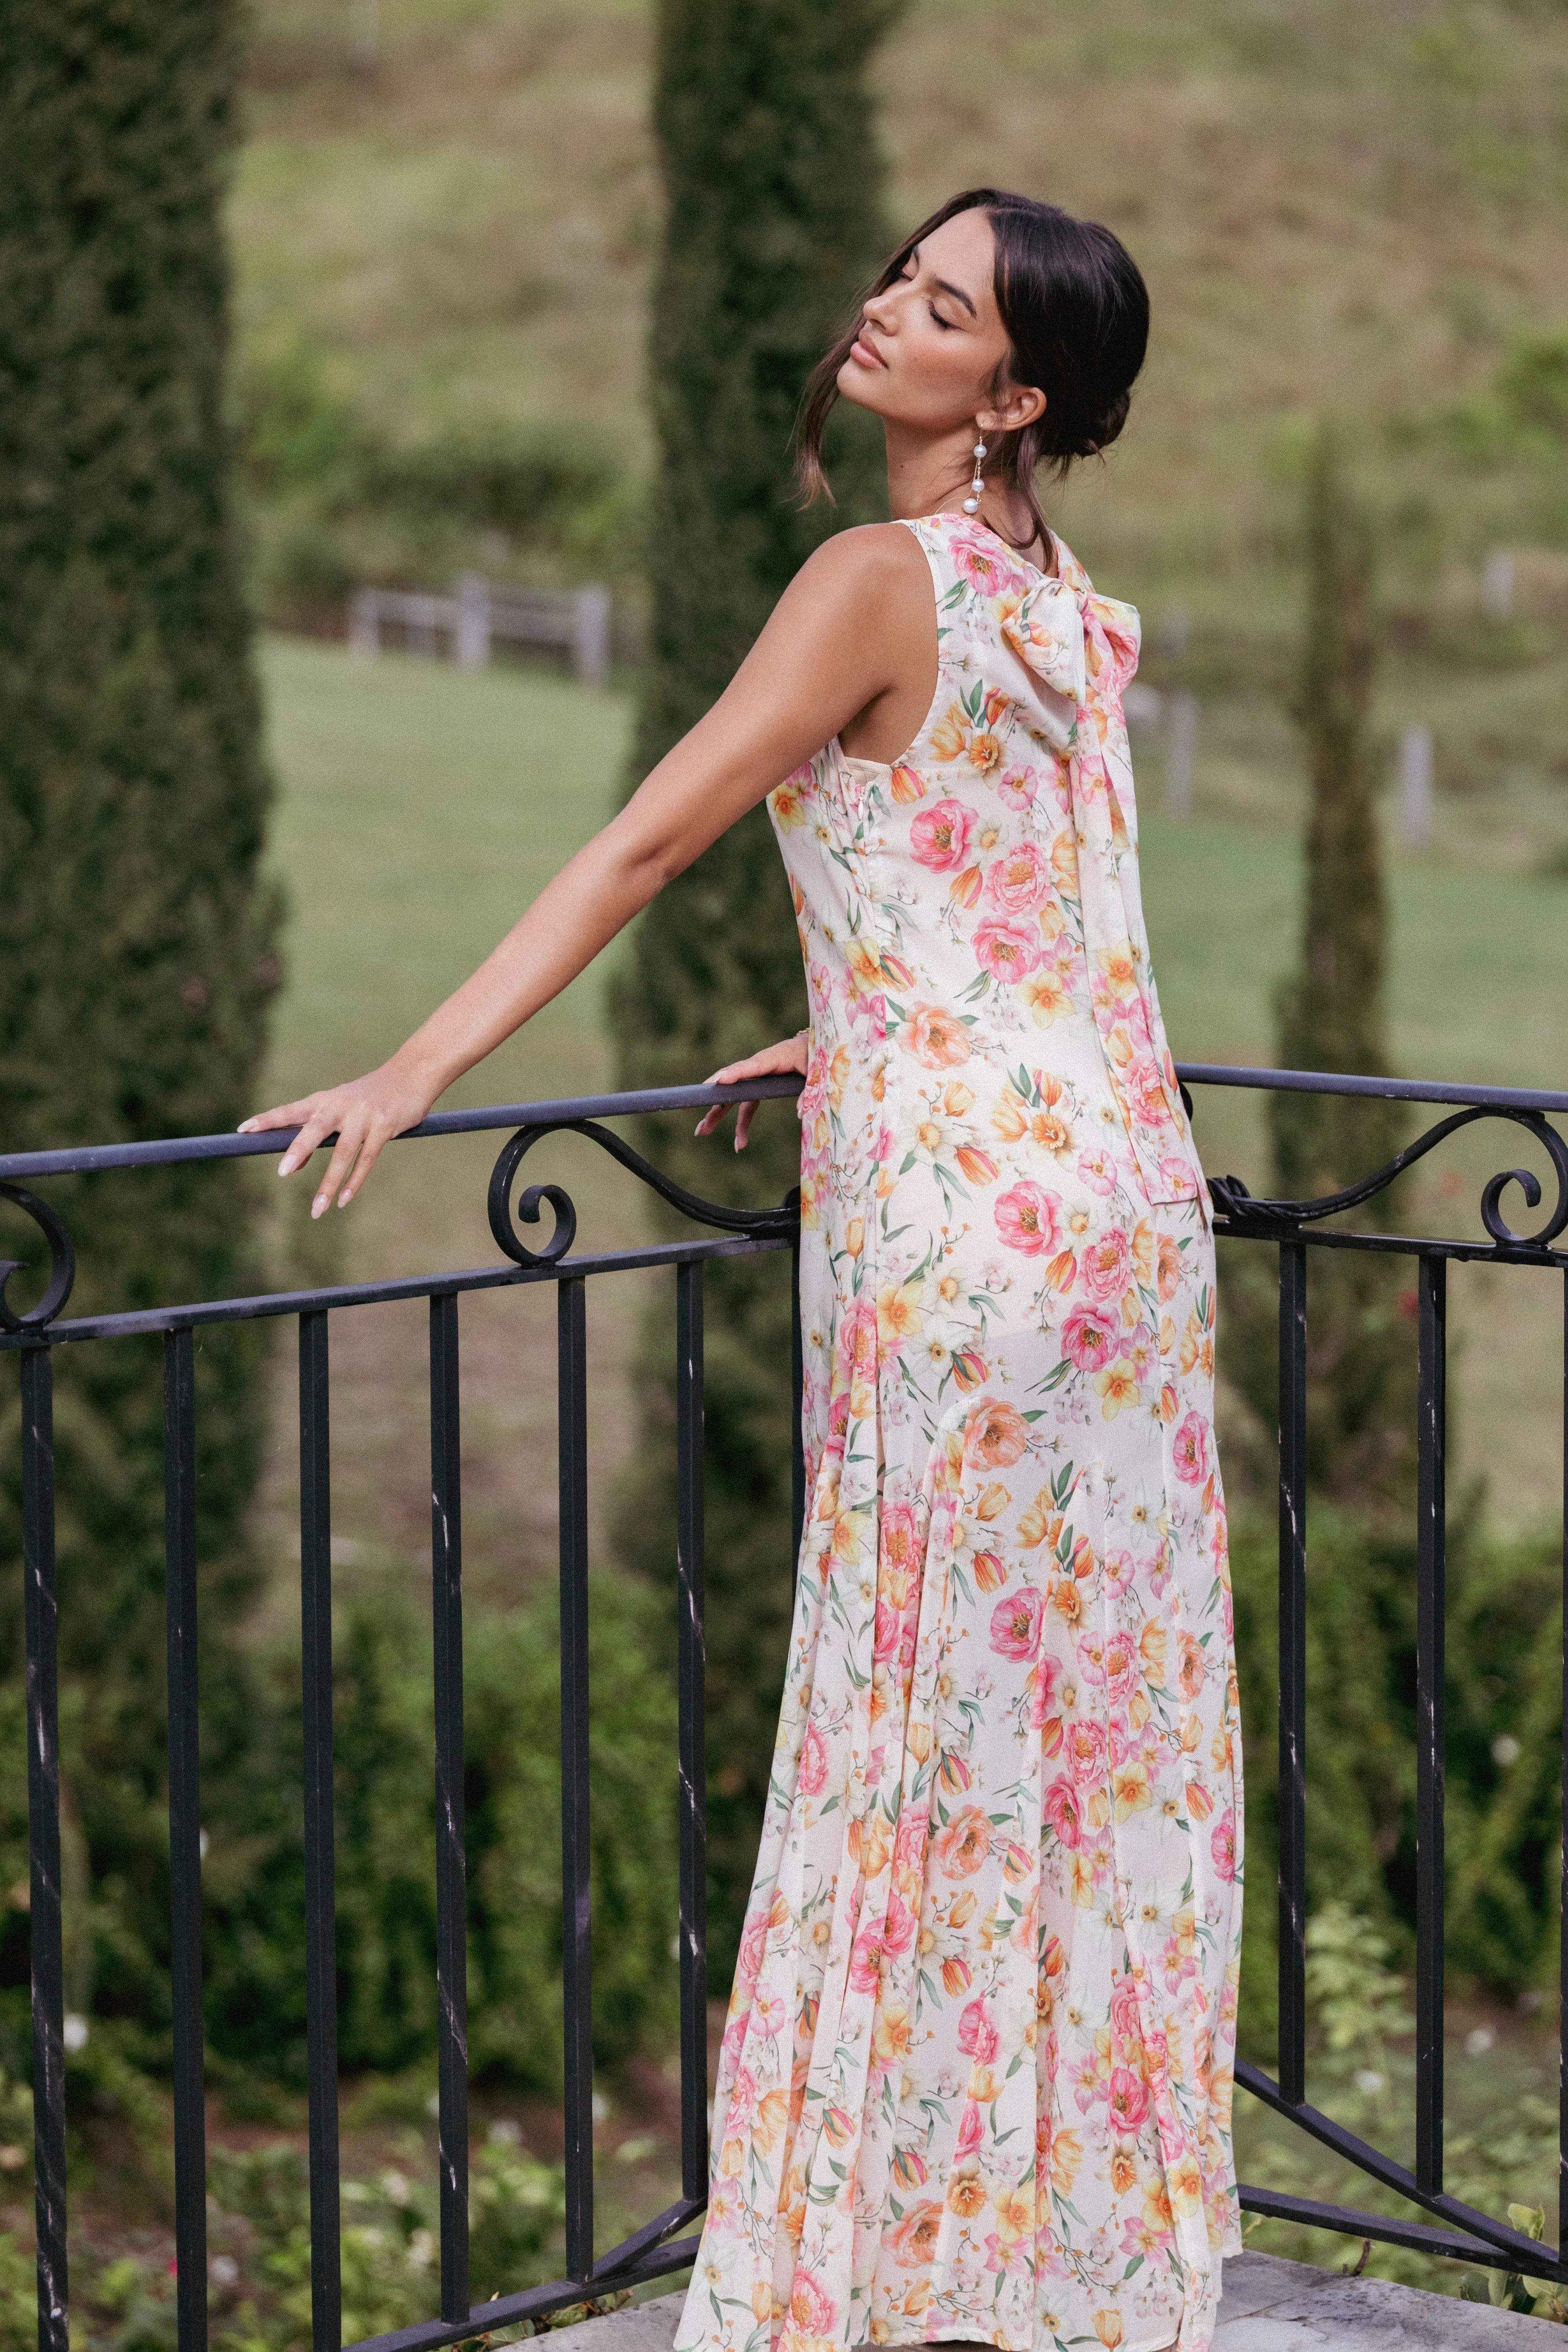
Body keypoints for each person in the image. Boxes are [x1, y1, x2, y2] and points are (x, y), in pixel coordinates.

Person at [244, 187, 1242, 2352]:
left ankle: (865, 2275)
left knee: (911, 1727)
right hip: (1120, 1219)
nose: (884, 309)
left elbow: (648, 838)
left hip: (958, 1234)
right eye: (900, 272)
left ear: (1015, 395)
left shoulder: (875, 575)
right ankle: (1048, 2262)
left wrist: (415, 1067)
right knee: (1086, 1737)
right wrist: (860, 1009)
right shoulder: (1068, 611)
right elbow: (1047, 912)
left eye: (942, 308)